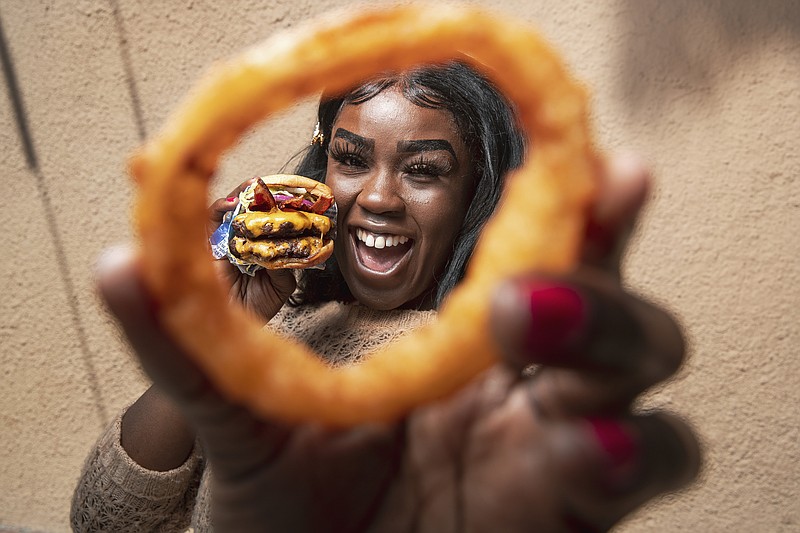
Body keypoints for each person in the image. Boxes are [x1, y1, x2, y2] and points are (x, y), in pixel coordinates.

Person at [71, 61, 700, 532]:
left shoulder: (499, 368)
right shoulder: (284, 319)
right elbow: (104, 522)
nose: (377, 197)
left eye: (424, 170)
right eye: (351, 161)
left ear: (477, 195)